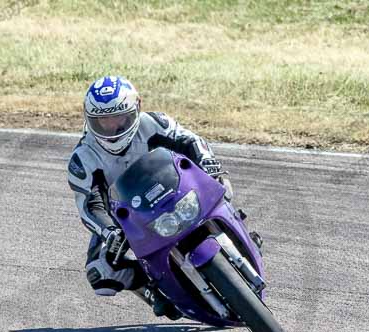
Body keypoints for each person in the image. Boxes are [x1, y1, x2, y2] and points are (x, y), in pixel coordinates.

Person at [66, 75, 243, 319]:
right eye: (103, 121)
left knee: (224, 186)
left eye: (119, 118)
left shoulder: (153, 122)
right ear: (89, 119)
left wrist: (210, 165)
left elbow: (190, 141)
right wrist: (110, 231)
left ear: (137, 108)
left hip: (175, 188)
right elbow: (90, 206)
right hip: (125, 217)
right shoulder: (82, 158)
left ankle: (237, 228)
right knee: (101, 273)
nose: (112, 128)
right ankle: (153, 289)